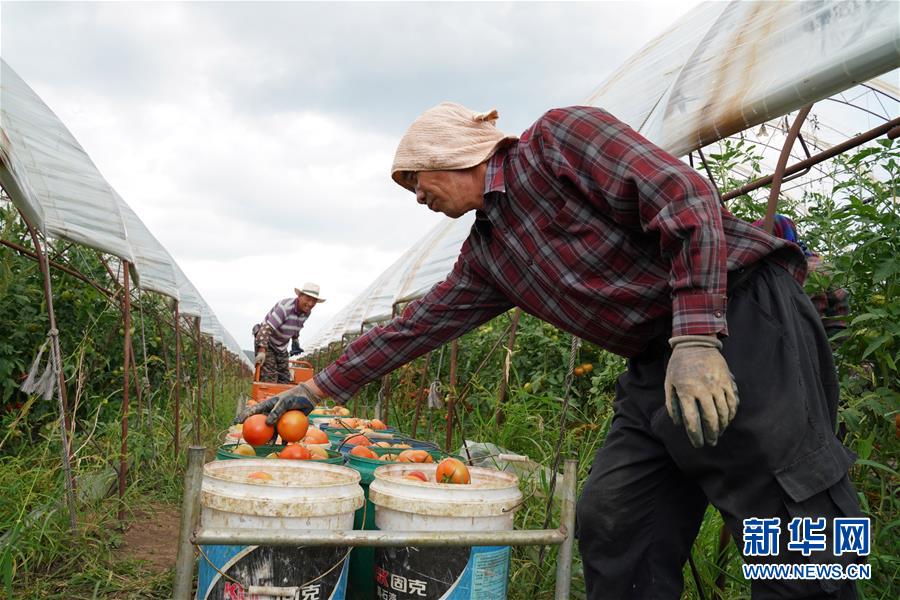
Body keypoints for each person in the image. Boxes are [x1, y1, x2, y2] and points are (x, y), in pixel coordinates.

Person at [238, 104, 863, 598]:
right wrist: (315, 390)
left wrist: (697, 337)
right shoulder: (489, 254)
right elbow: (415, 327)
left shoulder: (559, 140)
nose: (417, 198)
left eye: (415, 181)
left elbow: (684, 197)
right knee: (616, 516)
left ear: (451, 152)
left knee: (789, 508)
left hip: (738, 314)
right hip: (654, 357)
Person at [753, 214, 849, 341]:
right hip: (825, 336)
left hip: (818, 338)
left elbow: (807, 317)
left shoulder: (804, 270)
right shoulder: (814, 264)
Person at [252, 283, 325, 383]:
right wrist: (262, 350)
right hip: (267, 342)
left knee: (284, 378)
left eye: (314, 301)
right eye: (308, 299)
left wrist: (295, 341)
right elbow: (266, 328)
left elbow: (297, 326)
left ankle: (281, 393)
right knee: (269, 378)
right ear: (300, 296)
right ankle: (266, 391)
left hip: (281, 347)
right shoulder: (285, 308)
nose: (310, 304)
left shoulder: (307, 312)